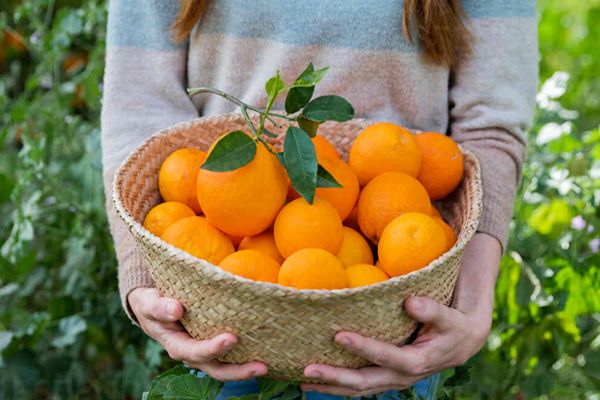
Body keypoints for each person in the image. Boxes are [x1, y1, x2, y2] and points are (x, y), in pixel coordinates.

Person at [101, 0, 538, 398]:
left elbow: (490, 125)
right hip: (217, 306)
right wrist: (144, 279)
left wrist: (473, 306)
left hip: (398, 321)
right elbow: (140, 106)